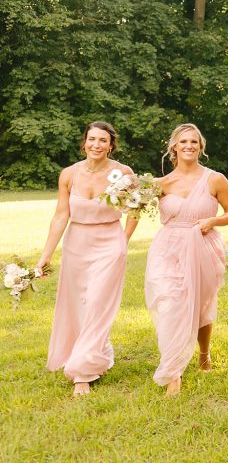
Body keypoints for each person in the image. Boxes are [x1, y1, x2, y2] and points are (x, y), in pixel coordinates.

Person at [36, 121, 139, 396]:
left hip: (109, 244)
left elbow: (135, 210)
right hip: (76, 245)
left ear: (111, 145)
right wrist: (45, 256)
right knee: (78, 304)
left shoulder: (124, 173)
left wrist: (123, 242)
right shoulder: (69, 174)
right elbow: (61, 216)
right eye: (92, 139)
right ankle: (98, 353)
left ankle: (82, 371)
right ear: (84, 143)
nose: (96, 144)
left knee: (97, 302)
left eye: (103, 140)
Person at [145, 123, 228, 395]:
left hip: (203, 245)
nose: (189, 146)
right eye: (183, 142)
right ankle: (173, 371)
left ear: (201, 147)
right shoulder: (159, 184)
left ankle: (204, 353)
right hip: (168, 248)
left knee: (201, 302)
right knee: (170, 301)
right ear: (174, 147)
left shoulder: (215, 179)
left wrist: (213, 219)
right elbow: (134, 208)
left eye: (194, 142)